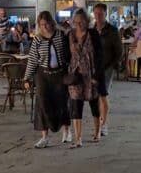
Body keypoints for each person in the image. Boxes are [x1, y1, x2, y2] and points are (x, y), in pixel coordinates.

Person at [24, 11, 71, 148]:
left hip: (60, 74)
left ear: (52, 23)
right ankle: (44, 137)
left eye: (47, 24)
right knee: (42, 104)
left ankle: (66, 131)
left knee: (62, 102)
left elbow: (68, 53)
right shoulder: (37, 40)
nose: (45, 27)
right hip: (43, 75)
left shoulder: (61, 36)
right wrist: (27, 78)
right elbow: (32, 60)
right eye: (42, 25)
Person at [66, 8, 101, 147]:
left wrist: (97, 75)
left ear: (87, 21)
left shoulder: (93, 34)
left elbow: (99, 56)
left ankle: (97, 131)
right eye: (76, 22)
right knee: (76, 105)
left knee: (94, 103)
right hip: (75, 75)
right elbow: (67, 55)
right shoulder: (70, 35)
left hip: (91, 74)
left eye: (81, 22)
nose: (78, 25)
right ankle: (78, 138)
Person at [91, 3, 122, 137]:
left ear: (105, 14)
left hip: (106, 67)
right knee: (95, 96)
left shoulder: (112, 31)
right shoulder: (91, 31)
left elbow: (119, 52)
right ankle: (99, 122)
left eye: (101, 13)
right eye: (96, 13)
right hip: (93, 68)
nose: (98, 16)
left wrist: (112, 65)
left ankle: (104, 124)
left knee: (103, 95)